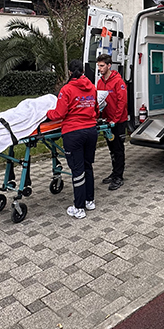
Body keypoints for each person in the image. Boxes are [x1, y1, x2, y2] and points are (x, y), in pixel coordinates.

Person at [46, 59, 99, 219]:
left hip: (74, 133)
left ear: (69, 72)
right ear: (83, 71)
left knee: (77, 170)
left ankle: (79, 207)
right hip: (91, 131)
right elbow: (96, 108)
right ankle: (90, 200)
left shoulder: (67, 89)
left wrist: (47, 114)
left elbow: (59, 114)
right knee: (87, 166)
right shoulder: (92, 88)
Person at [96, 54, 128, 191]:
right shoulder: (100, 82)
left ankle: (118, 177)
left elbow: (122, 102)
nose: (100, 68)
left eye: (102, 66)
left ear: (109, 66)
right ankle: (114, 172)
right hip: (107, 121)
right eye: (98, 66)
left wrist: (115, 119)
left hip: (118, 121)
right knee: (111, 149)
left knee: (118, 149)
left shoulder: (118, 82)